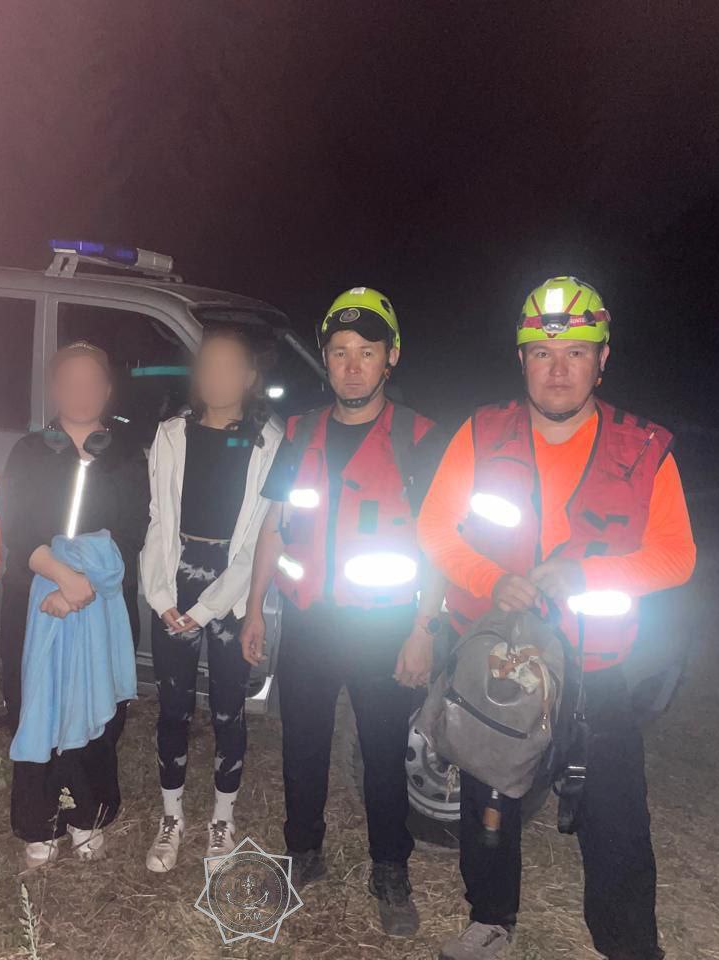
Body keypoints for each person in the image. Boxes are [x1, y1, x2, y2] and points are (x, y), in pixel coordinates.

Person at [418, 277, 696, 960]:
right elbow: (435, 529)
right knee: (488, 801)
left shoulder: (644, 448)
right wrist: (491, 579)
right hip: (501, 660)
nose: (559, 369)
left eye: (576, 352)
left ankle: (629, 945)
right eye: (543, 354)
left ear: (603, 359)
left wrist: (587, 576)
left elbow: (677, 556)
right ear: (522, 360)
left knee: (617, 820)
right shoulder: (481, 433)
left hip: (596, 669)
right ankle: (491, 918)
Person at [240, 287, 446, 938]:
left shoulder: (419, 438)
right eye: (339, 352)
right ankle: (304, 851)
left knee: (383, 752)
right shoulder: (299, 433)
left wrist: (423, 629)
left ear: (392, 356)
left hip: (383, 627)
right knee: (302, 743)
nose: (352, 366)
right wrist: (254, 609)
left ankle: (390, 867)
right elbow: (274, 526)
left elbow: (440, 545)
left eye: (367, 351)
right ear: (324, 359)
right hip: (309, 623)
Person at [138, 327, 284, 871]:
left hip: (232, 588)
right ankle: (171, 816)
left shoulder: (269, 442)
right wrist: (161, 595)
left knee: (228, 707)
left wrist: (204, 610)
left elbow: (258, 537)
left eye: (229, 366)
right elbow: (158, 518)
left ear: (249, 377)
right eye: (207, 366)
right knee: (173, 705)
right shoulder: (171, 433)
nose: (216, 377)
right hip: (175, 577)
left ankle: (223, 818)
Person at [0, 341, 148, 868]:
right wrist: (60, 576)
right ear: (54, 389)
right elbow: (15, 525)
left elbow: (133, 531)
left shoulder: (126, 455)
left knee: (99, 710)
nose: (81, 392)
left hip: (102, 605)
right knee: (33, 704)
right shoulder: (29, 452)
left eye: (92, 382)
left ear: (106, 391)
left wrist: (85, 584)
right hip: (34, 601)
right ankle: (39, 819)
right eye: (70, 382)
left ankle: (88, 813)